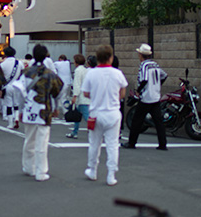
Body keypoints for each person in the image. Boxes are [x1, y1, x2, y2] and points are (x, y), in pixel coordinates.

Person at [11, 44, 63, 182]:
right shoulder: (50, 74)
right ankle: (41, 172)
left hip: (29, 110)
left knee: (29, 140)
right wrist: (56, 107)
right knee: (42, 142)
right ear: (46, 55)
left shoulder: (26, 72)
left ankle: (28, 168)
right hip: (44, 111)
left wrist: (20, 110)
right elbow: (58, 92)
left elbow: (20, 92)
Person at [82, 45, 128, 186]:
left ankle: (92, 170)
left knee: (94, 143)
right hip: (113, 113)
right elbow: (122, 93)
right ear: (111, 58)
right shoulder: (118, 73)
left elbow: (86, 93)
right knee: (113, 145)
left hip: (96, 113)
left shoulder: (91, 73)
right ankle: (111, 175)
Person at [124, 44, 168, 151]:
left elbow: (144, 80)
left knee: (137, 120)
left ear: (141, 55)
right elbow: (164, 75)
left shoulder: (144, 65)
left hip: (146, 97)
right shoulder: (155, 65)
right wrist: (157, 85)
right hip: (156, 96)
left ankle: (131, 142)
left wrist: (138, 91)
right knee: (158, 121)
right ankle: (163, 144)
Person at [0, 47, 23, 129]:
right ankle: (16, 118)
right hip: (17, 86)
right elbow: (23, 73)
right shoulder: (19, 63)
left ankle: (10, 123)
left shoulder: (3, 64)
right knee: (16, 104)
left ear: (5, 54)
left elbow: (0, 77)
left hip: (7, 86)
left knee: (8, 105)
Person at [67, 54, 90, 139]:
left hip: (81, 97)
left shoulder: (77, 71)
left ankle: (96, 130)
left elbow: (77, 84)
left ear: (76, 62)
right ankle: (74, 132)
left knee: (86, 116)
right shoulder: (86, 70)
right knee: (77, 115)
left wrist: (74, 96)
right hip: (86, 95)